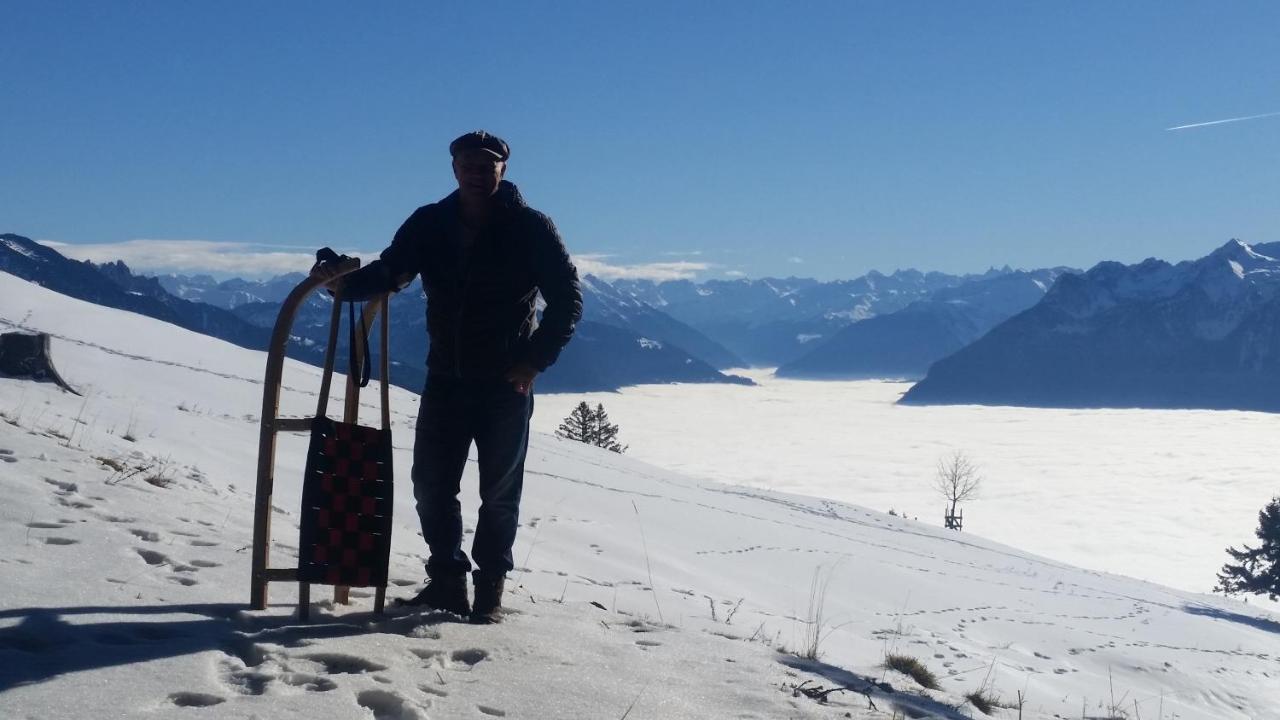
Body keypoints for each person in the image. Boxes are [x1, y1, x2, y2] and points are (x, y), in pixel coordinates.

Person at [311, 130, 582, 623]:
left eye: (488, 165)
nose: (478, 173)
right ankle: (446, 581)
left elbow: (567, 301)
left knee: (499, 493)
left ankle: (490, 590)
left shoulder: (531, 227)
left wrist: (533, 362)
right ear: (454, 169)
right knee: (431, 485)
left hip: (506, 382)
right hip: (446, 378)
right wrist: (343, 285)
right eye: (468, 164)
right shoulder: (430, 223)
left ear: (504, 168)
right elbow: (392, 271)